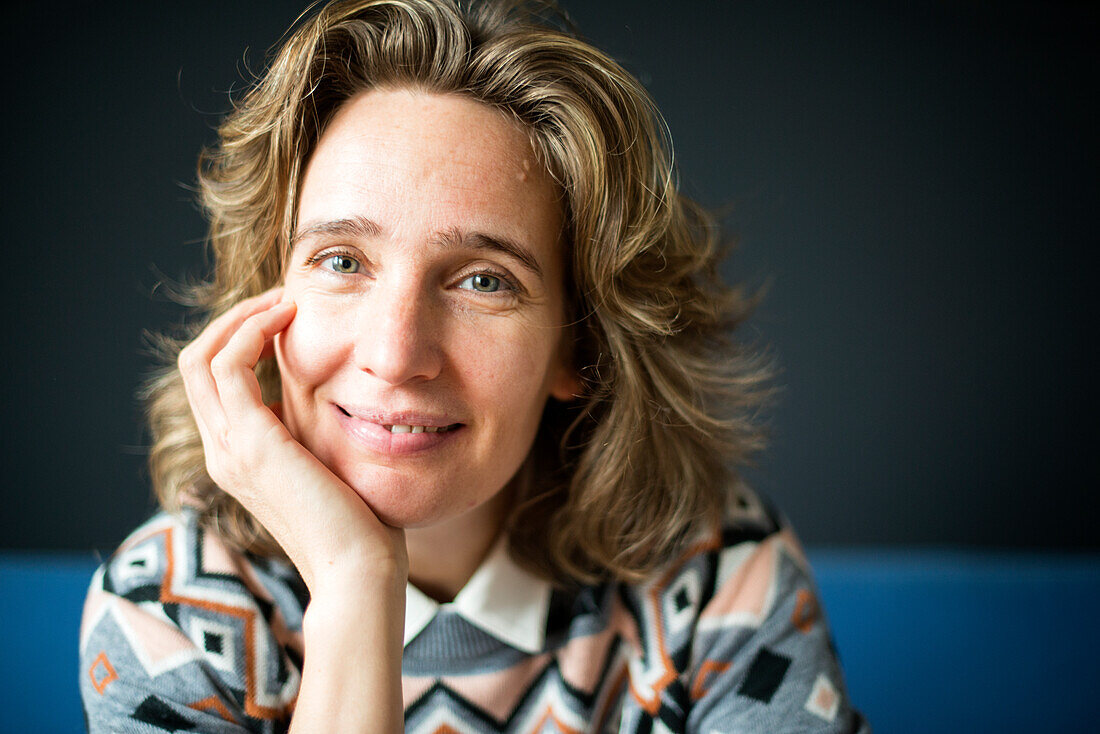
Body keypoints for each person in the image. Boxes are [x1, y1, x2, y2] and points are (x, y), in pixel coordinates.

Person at [79, 1, 869, 731]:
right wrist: (356, 586)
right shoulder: (167, 608)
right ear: (268, 300)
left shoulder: (719, 572)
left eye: (484, 281)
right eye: (342, 260)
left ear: (580, 347)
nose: (394, 355)